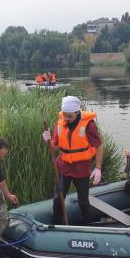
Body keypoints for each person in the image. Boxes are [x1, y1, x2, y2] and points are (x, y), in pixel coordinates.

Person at [42, 96, 103, 224]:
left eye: (69, 116)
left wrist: (98, 168)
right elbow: (53, 146)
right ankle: (56, 223)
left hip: (81, 167)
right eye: (64, 115)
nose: (66, 119)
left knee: (83, 201)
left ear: (77, 112)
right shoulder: (60, 122)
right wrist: (47, 140)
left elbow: (98, 146)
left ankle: (87, 222)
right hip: (63, 166)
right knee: (58, 198)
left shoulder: (89, 125)